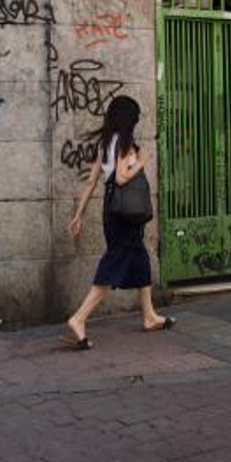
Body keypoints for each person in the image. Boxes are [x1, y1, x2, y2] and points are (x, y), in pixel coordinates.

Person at [64, 95, 174, 350]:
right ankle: (78, 319)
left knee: (140, 260)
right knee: (113, 265)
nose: (136, 124)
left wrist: (78, 214)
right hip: (125, 215)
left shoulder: (105, 144)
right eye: (134, 119)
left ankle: (149, 316)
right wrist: (143, 160)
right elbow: (122, 178)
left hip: (112, 212)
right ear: (129, 121)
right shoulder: (124, 144)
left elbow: (92, 181)